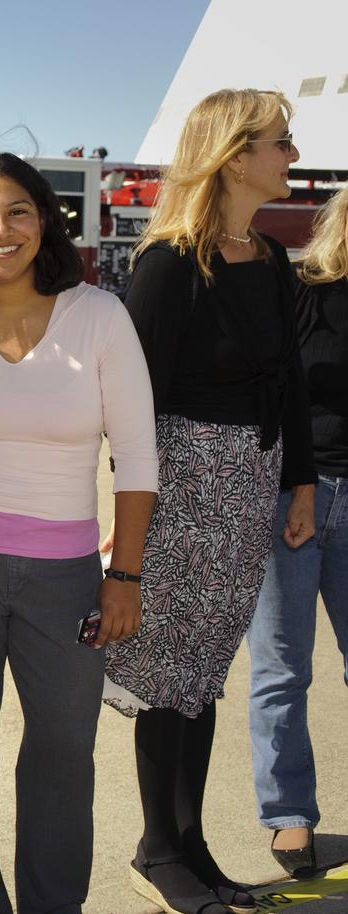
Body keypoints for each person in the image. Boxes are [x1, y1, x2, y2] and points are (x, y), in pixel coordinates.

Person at [0, 151, 158, 914]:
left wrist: (124, 577)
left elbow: (138, 455)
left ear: (46, 218)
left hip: (68, 578)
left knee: (61, 761)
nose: (0, 229)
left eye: (18, 210)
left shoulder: (100, 315)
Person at [103, 88, 316, 914]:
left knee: (204, 677)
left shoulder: (268, 258)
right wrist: (137, 534)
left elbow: (289, 382)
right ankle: (159, 851)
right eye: (280, 142)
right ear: (233, 155)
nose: (291, 155)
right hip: (183, 493)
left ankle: (190, 846)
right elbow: (131, 410)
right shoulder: (166, 265)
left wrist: (298, 481)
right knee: (168, 676)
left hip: (252, 489)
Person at [246, 184, 348, 880]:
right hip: (292, 501)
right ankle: (289, 816)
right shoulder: (303, 286)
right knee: (283, 667)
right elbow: (272, 386)